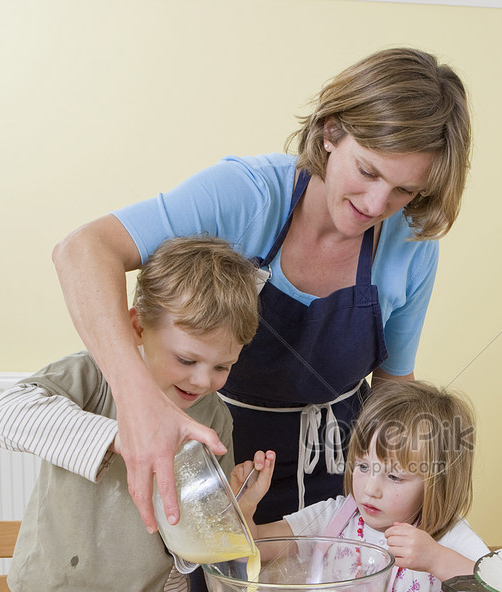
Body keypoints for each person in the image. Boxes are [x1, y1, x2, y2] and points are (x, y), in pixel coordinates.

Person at [52, 47, 472, 531]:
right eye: (368, 171)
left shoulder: (412, 243)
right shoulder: (246, 196)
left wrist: (416, 500)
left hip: (337, 482)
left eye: (405, 191)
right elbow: (82, 251)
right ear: (331, 131)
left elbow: (394, 388)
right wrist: (138, 399)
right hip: (220, 464)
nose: (378, 204)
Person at [0, 236, 263, 592]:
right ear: (137, 327)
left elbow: (194, 539)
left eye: (222, 366)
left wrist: (235, 511)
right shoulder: (94, 375)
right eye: (187, 359)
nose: (203, 380)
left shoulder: (214, 419)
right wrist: (125, 437)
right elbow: (7, 414)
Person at [234, 381, 488, 592]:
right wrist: (246, 506)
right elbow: (249, 549)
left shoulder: (447, 536)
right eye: (363, 467)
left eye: (394, 477)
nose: (369, 490)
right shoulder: (332, 518)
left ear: (437, 483)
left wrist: (435, 558)